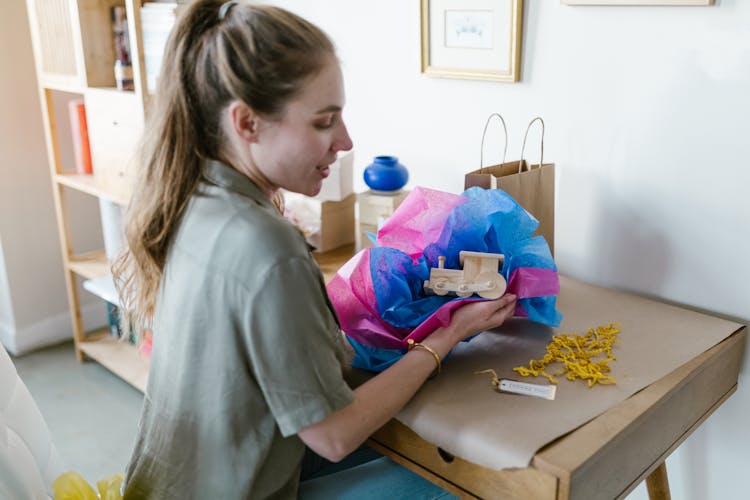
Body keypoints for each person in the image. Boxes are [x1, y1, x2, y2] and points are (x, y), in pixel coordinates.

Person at [114, 1, 517, 498]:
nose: (345, 141)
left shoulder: (193, 193)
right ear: (246, 123)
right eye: (324, 123)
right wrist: (445, 338)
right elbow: (333, 434)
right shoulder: (268, 246)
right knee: (471, 483)